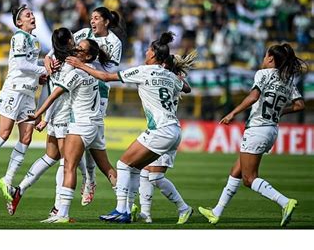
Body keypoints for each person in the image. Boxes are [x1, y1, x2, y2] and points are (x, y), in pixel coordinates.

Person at [66, 32, 191, 223]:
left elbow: (106, 77)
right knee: (134, 168)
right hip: (174, 130)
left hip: (160, 129)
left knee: (123, 164)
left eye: (148, 49)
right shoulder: (172, 77)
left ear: (153, 55)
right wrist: (173, 69)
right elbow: (186, 88)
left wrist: (80, 65)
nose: (146, 52)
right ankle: (126, 211)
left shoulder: (143, 70)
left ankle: (121, 209)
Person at [198, 43, 307, 227]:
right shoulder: (287, 79)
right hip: (272, 129)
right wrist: (280, 112)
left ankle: (284, 202)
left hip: (257, 128)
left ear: (271, 59)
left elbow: (254, 96)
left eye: (265, 56)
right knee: (236, 172)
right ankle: (216, 212)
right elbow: (299, 105)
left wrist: (232, 113)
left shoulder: (262, 74)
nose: (263, 59)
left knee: (249, 179)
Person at [23, 38, 118, 223]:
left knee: (69, 166)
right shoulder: (95, 71)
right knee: (106, 168)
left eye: (80, 49)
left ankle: (63, 213)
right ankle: (126, 203)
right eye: (76, 46)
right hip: (97, 124)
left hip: (81, 124)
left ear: (88, 56)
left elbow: (54, 95)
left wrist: (37, 114)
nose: (75, 50)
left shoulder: (77, 74)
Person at [45, 6, 124, 206]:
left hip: (98, 93)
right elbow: (57, 49)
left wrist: (84, 66)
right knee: (91, 145)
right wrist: (47, 61)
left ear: (106, 21)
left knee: (85, 141)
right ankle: (99, 185)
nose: (92, 21)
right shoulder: (84, 34)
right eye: (91, 18)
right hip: (76, 91)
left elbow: (110, 71)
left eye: (96, 18)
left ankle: (87, 183)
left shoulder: (114, 42)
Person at [0, 4, 47, 198]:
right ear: (19, 21)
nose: (32, 17)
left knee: (26, 138)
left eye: (32, 14)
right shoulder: (19, 37)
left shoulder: (34, 40)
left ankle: (7, 179)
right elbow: (21, 65)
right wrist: (43, 70)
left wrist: (39, 77)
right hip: (14, 91)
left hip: (29, 93)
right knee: (4, 133)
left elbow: (28, 66)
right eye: (28, 15)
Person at [5, 28, 80, 216]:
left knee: (50, 157)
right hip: (64, 114)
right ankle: (57, 208)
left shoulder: (53, 58)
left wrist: (44, 116)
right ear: (69, 41)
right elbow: (57, 92)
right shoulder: (71, 62)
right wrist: (44, 117)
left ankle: (18, 190)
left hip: (54, 114)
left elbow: (48, 87)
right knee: (66, 161)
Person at [135, 51, 197, 225]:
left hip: (166, 130)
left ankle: (184, 208)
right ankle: (145, 213)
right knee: (145, 172)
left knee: (154, 177)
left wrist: (172, 71)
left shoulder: (170, 78)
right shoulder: (171, 79)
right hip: (160, 129)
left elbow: (187, 88)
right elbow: (187, 88)